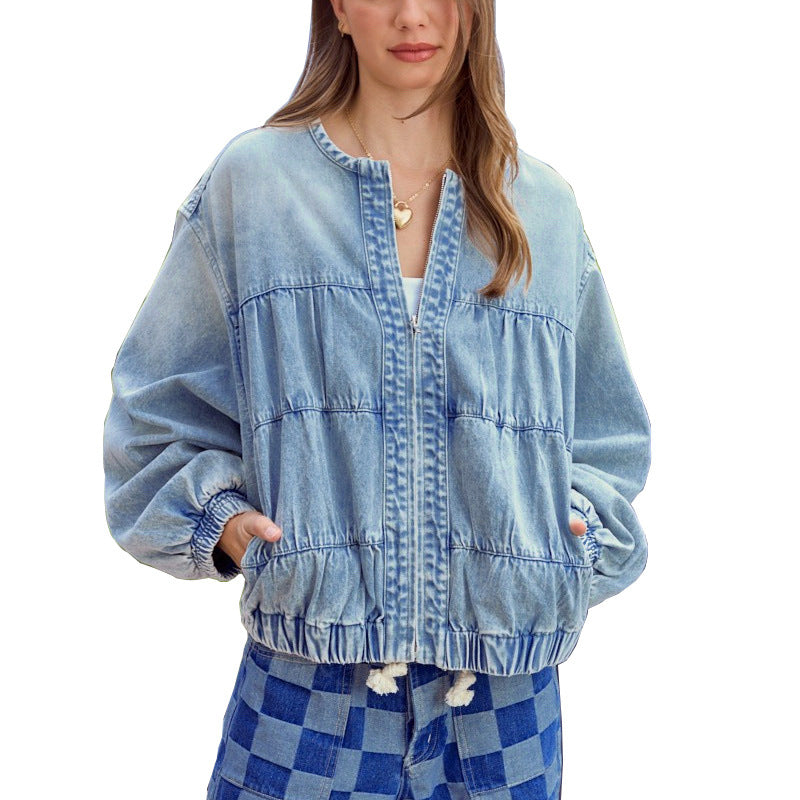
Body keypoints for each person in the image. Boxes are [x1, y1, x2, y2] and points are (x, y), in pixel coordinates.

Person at [102, 1, 651, 798]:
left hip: (504, 699)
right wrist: (224, 526)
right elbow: (153, 412)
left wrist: (577, 535)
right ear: (337, 8)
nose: (411, 14)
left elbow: (607, 435)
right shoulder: (256, 187)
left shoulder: (542, 206)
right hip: (307, 692)